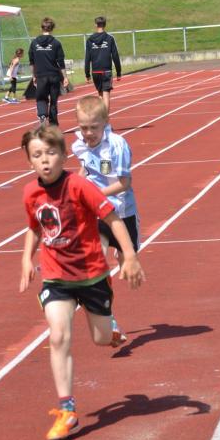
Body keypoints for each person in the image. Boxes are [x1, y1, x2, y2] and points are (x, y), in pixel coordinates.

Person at [19, 125, 145, 440]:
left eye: (51, 153)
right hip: (56, 277)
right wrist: (26, 259)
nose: (45, 160)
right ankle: (68, 410)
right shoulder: (30, 192)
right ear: (29, 161)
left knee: (101, 339)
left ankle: (109, 327)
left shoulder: (79, 186)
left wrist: (129, 256)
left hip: (92, 276)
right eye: (37, 155)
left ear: (64, 156)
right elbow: (34, 227)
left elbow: (113, 219)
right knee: (58, 335)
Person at [72, 95, 141, 345]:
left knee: (126, 265)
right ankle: (108, 318)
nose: (88, 133)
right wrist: (75, 187)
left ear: (105, 122)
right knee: (97, 263)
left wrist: (96, 194)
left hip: (122, 211)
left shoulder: (117, 146)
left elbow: (124, 183)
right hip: (98, 213)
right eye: (83, 127)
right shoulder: (80, 145)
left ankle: (122, 254)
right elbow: (86, 168)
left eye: (93, 127)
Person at [28, 17, 69, 126]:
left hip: (41, 76)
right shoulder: (56, 43)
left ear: (41, 28)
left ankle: (42, 115)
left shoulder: (34, 43)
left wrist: (33, 76)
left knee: (41, 98)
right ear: (52, 28)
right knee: (53, 101)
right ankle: (53, 123)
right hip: (54, 76)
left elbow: (31, 62)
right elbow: (61, 62)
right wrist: (65, 77)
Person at [84, 16, 121, 115]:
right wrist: (119, 72)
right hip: (106, 71)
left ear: (96, 25)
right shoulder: (110, 38)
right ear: (105, 25)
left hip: (95, 71)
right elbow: (115, 56)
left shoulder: (89, 40)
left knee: (100, 95)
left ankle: (101, 119)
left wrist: (87, 74)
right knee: (106, 95)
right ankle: (105, 120)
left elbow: (87, 58)